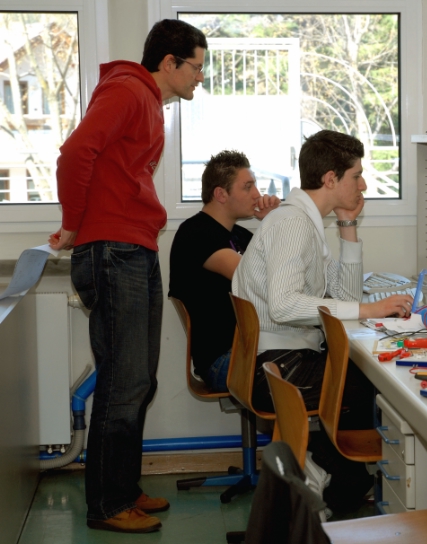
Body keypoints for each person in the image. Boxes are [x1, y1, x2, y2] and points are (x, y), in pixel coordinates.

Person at [48, 19, 207, 534]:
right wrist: (73, 224)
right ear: (169, 62)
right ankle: (107, 504)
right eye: (196, 66)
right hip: (113, 250)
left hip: (132, 247)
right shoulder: (128, 91)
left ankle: (124, 487)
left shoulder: (147, 100)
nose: (200, 77)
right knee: (123, 382)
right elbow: (75, 154)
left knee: (138, 380)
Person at [232, 129, 413, 512]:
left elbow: (345, 296)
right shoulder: (292, 224)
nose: (363, 185)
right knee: (381, 386)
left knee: (368, 377)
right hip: (279, 366)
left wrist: (348, 224)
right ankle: (330, 483)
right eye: (356, 176)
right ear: (330, 178)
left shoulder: (305, 222)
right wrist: (370, 310)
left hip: (283, 358)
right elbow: (284, 306)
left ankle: (334, 479)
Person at [169, 150, 280, 392]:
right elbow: (259, 280)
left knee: (331, 359)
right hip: (224, 360)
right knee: (333, 369)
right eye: (248, 187)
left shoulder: (239, 235)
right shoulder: (196, 233)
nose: (257, 194)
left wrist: (272, 221)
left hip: (250, 347)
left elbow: (285, 271)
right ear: (220, 194)